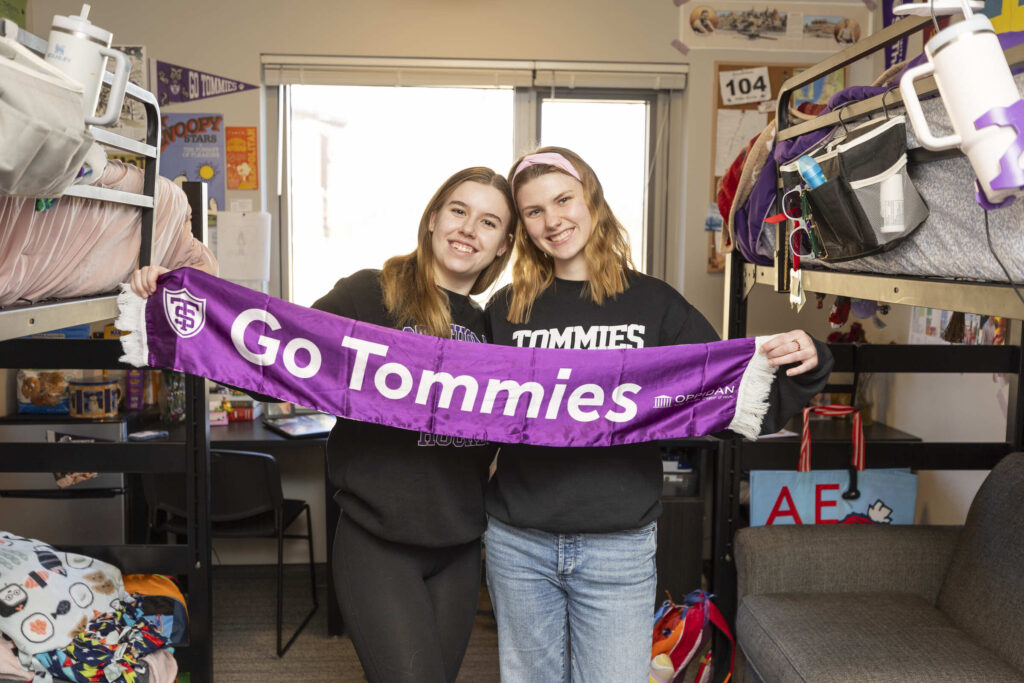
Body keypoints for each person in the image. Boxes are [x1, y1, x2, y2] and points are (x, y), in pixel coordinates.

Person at [130, 166, 515, 683]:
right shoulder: (369, 295)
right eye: (459, 211)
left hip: (460, 550)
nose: (469, 228)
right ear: (433, 220)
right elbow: (271, 354)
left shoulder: (499, 329)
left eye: (488, 222)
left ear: (503, 245)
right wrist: (174, 301)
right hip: (379, 545)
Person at [484, 147, 833, 682]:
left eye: (563, 200)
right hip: (518, 542)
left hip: (617, 546)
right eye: (533, 211)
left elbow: (730, 401)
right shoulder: (505, 309)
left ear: (591, 200)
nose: (552, 221)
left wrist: (808, 365)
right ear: (523, 225)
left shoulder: (655, 305)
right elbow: (461, 406)